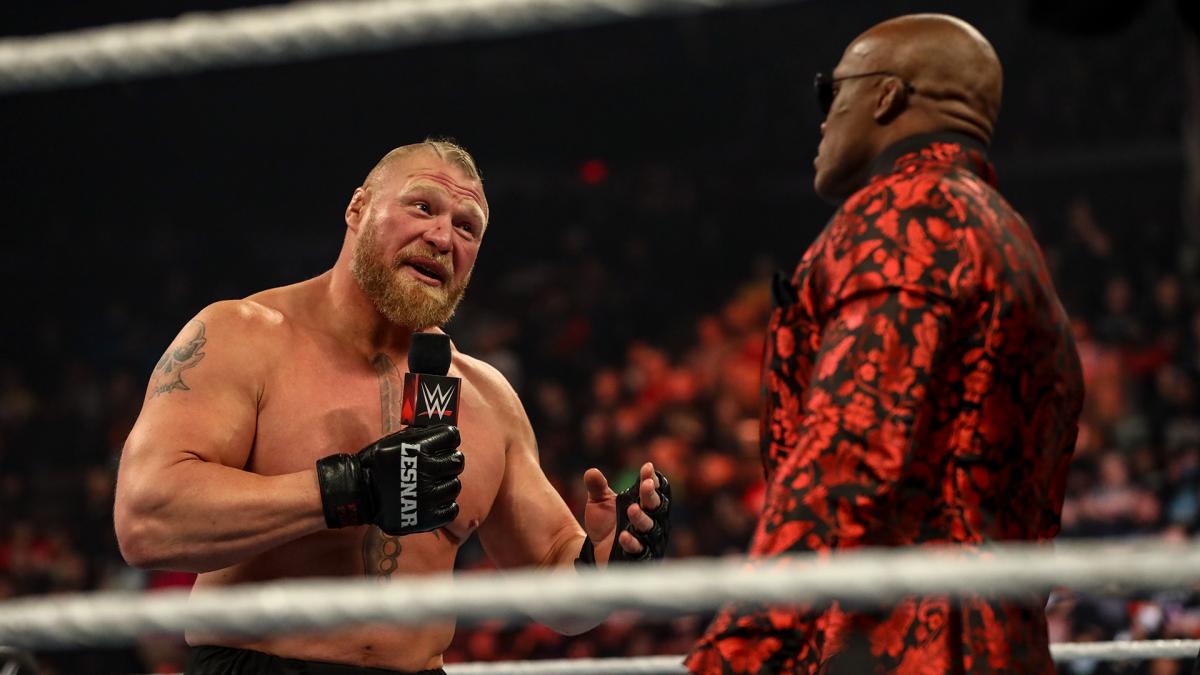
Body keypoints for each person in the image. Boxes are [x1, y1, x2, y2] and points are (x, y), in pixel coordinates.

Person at [113, 139, 672, 675]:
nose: (442, 237)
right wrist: (348, 488)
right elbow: (146, 519)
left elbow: (557, 583)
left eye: (466, 227)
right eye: (422, 206)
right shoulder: (243, 336)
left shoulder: (487, 398)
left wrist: (606, 563)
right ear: (358, 208)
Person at [687, 14, 1083, 674]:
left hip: (897, 640)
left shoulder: (906, 215)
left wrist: (740, 651)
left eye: (829, 92)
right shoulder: (1012, 240)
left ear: (886, 95)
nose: (820, 120)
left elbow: (850, 454)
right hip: (1002, 639)